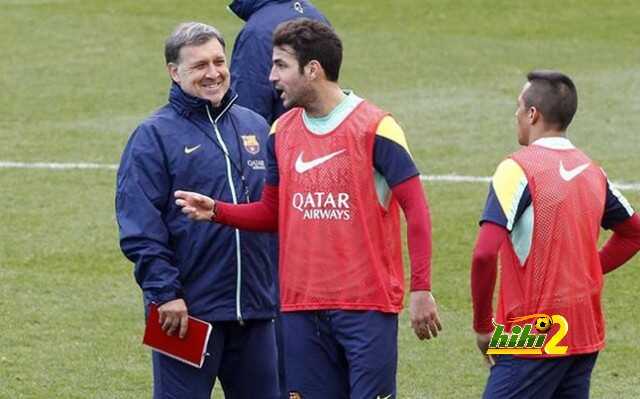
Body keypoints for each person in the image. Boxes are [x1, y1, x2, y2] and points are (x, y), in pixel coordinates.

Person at [175, 18, 442, 399]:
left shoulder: (376, 128)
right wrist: (218, 211)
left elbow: (416, 211)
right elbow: (272, 212)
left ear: (312, 69)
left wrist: (422, 288)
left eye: (281, 65)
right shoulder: (280, 132)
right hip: (299, 308)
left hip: (366, 306)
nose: (271, 76)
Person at [115, 22, 279, 399]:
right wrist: (165, 294)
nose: (213, 73)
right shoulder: (152, 136)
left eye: (219, 61)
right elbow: (140, 227)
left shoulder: (255, 125)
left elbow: (273, 214)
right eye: (199, 65)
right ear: (175, 72)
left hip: (255, 312)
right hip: (185, 316)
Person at [470, 70, 640, 399]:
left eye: (518, 107)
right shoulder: (592, 172)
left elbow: (483, 253)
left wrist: (482, 327)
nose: (516, 115)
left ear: (533, 114)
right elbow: (634, 233)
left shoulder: (517, 168)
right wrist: (586, 268)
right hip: (583, 330)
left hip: (530, 333)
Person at [228, 0, 329, 124]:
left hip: (283, 139)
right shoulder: (317, 16)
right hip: (320, 134)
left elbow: (248, 111)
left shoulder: (256, 33)